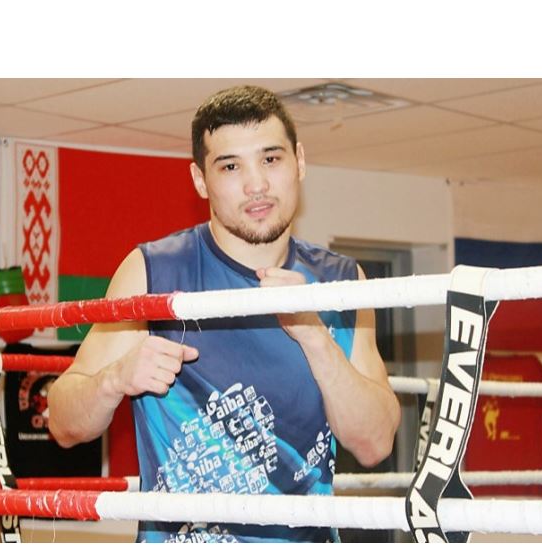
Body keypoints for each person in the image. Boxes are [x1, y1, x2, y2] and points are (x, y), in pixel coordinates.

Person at [47, 85, 401, 543]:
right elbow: (63, 423)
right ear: (200, 180)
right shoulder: (154, 272)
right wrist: (113, 379)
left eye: (270, 159)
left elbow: (375, 443)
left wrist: (315, 336)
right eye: (231, 166)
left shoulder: (342, 282)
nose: (256, 185)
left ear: (299, 162)